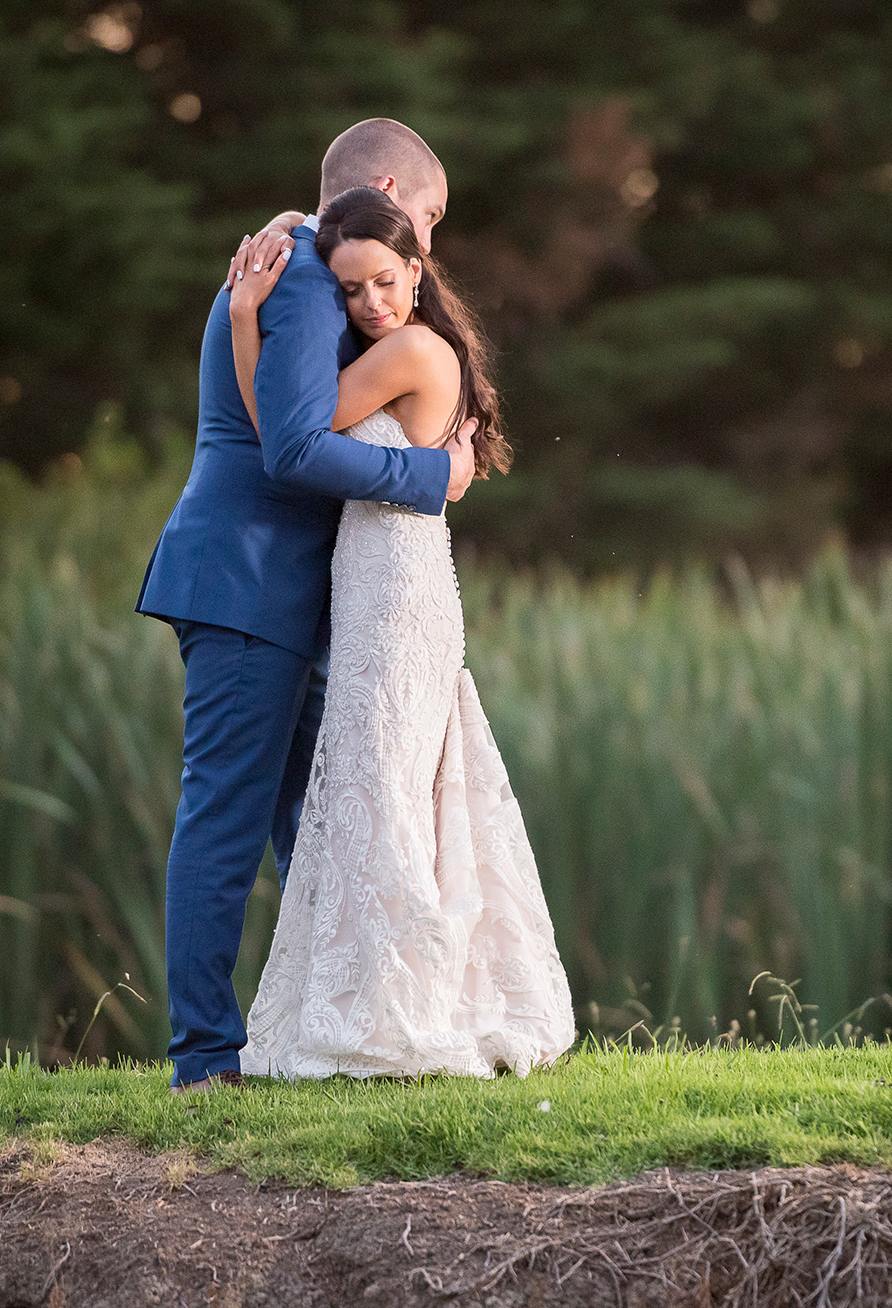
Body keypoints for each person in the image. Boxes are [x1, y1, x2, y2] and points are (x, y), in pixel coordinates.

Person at [135, 120, 479, 1092]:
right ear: (382, 185)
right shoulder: (293, 264)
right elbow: (286, 447)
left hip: (288, 587)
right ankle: (205, 1062)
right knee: (229, 817)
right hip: (245, 579)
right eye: (429, 212)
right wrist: (425, 475)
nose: (427, 240)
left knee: (317, 818)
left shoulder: (313, 269)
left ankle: (341, 1034)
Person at [221, 187, 575, 1079]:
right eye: (349, 292)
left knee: (380, 789)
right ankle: (405, 997)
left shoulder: (408, 351)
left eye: (384, 281)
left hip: (395, 594)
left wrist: (242, 321)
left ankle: (403, 1012)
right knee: (387, 791)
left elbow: (286, 435)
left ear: (416, 272)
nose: (369, 304)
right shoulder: (417, 344)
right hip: (387, 582)